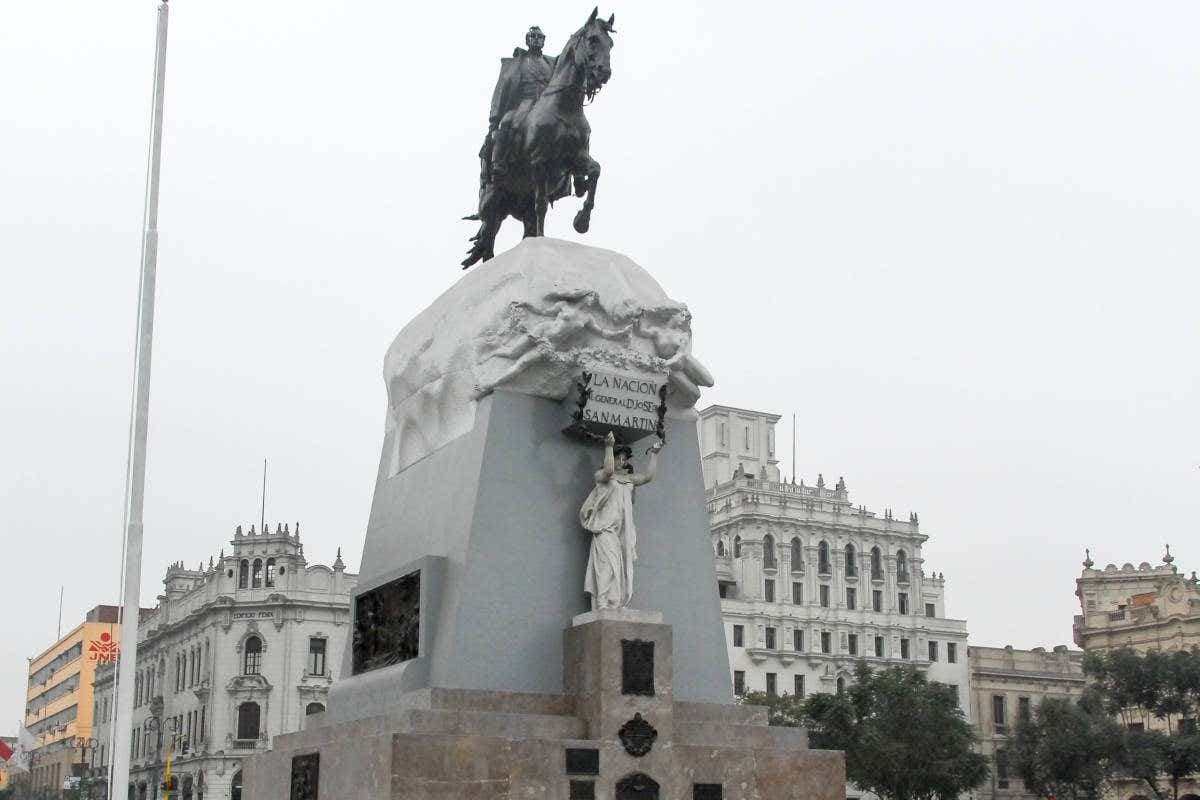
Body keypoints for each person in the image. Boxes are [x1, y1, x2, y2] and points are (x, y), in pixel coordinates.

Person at [579, 431, 662, 610]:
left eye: (625, 459)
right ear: (613, 458)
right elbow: (609, 471)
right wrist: (609, 447)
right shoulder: (602, 476)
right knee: (607, 565)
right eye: (620, 458)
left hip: (621, 532)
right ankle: (602, 602)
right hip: (605, 529)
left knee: (620, 566)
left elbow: (647, 477)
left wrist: (654, 455)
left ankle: (614, 602)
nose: (623, 462)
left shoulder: (628, 479)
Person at [484, 26, 557, 180]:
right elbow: (502, 89)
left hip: (547, 103)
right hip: (526, 102)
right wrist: (494, 118)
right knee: (507, 122)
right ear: (527, 40)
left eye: (540, 37)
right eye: (533, 36)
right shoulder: (517, 63)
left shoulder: (550, 63)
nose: (537, 39)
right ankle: (499, 162)